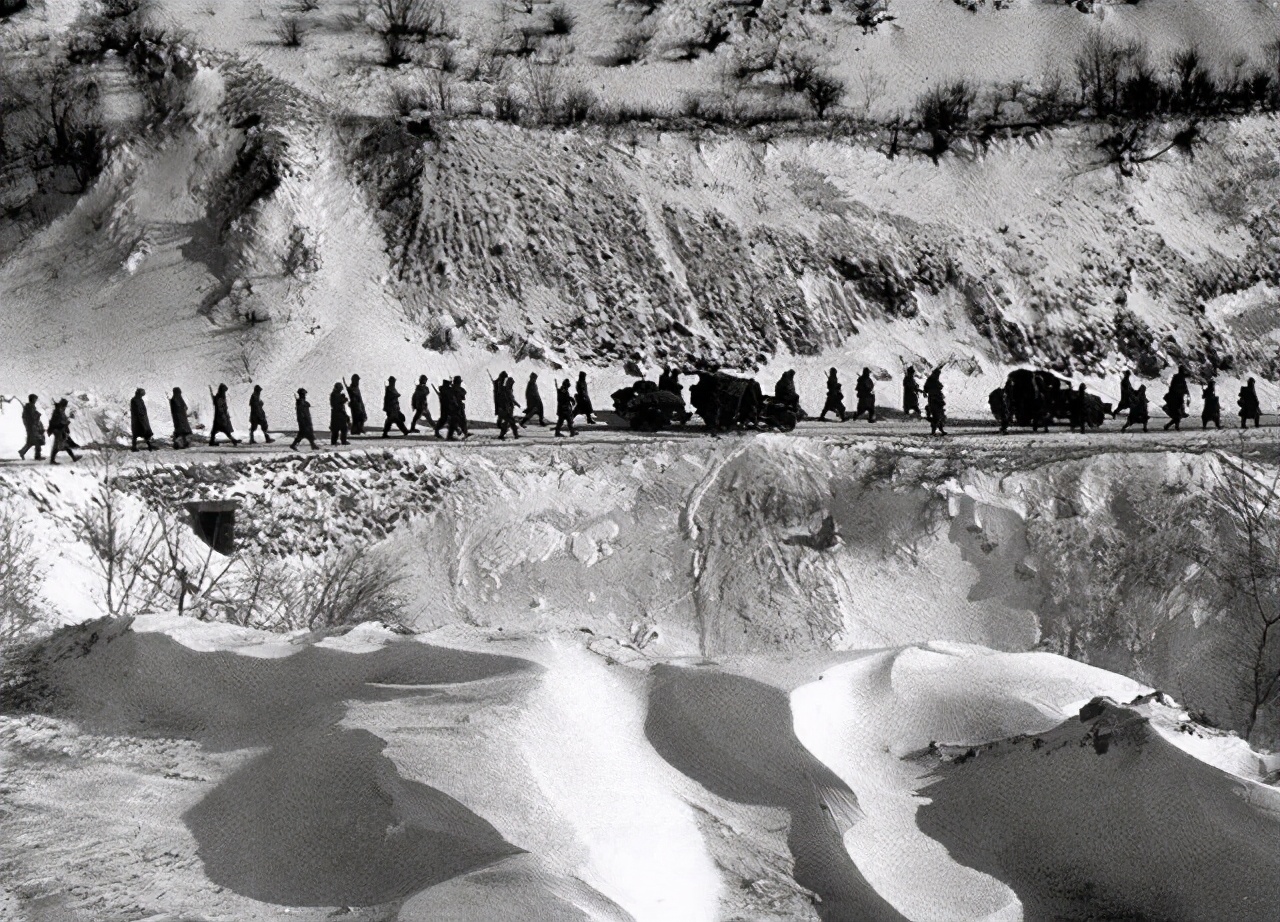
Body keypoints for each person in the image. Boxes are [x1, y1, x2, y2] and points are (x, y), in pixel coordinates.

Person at [48, 398, 77, 464]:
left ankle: (73, 458)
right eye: (65, 405)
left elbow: (63, 421)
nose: (65, 407)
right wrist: (69, 419)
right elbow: (61, 421)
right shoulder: (58, 411)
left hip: (59, 430)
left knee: (62, 445)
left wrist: (68, 419)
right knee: (58, 446)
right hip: (58, 430)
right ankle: (52, 460)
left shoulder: (59, 410)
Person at [1162, 366, 1190, 431]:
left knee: (1178, 415)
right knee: (1177, 415)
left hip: (1177, 399)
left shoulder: (1178, 377)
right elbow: (1180, 388)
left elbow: (1183, 388)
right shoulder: (1179, 378)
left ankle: (1172, 426)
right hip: (1176, 399)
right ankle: (1170, 426)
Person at [18, 395, 44, 461]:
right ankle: (37, 456)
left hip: (31, 427)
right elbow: (32, 417)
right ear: (32, 399)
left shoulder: (29, 406)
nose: (36, 400)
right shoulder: (30, 407)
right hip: (32, 427)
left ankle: (22, 452)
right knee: (37, 440)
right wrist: (37, 415)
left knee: (31, 441)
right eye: (35, 399)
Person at [496, 375, 521, 440]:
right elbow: (510, 399)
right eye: (511, 383)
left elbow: (511, 399)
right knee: (511, 422)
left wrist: (516, 404)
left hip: (507, 408)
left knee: (507, 422)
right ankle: (515, 435)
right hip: (507, 409)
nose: (512, 384)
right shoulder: (505, 390)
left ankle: (503, 435)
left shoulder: (506, 389)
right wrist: (516, 404)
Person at [923, 368, 946, 435]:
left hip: (937, 400)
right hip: (934, 400)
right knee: (937, 416)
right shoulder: (932, 380)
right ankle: (934, 431)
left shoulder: (932, 380)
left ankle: (940, 430)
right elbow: (927, 389)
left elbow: (926, 389)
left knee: (940, 415)